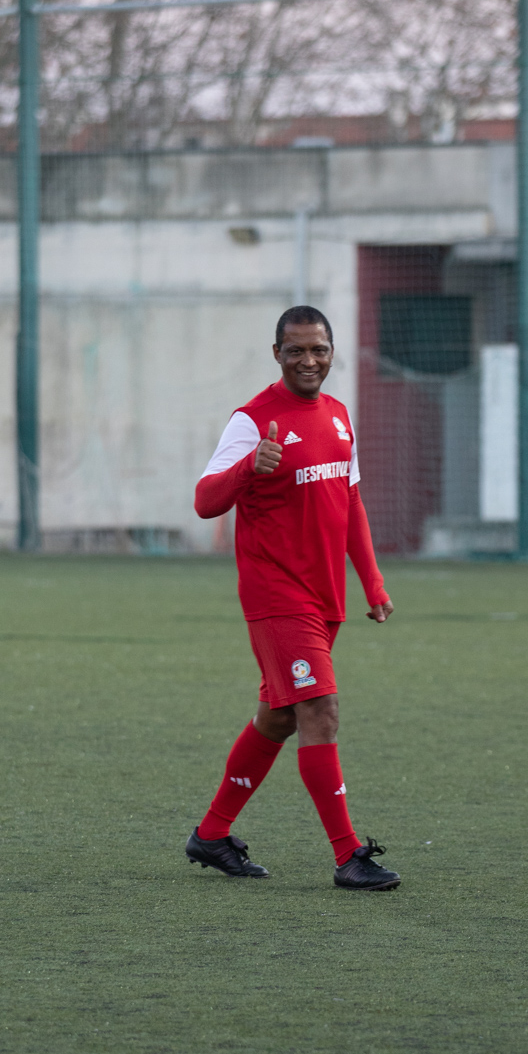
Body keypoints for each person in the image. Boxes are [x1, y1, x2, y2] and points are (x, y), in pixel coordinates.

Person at [186, 306, 400, 891]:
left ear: (333, 352)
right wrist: (248, 470)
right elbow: (206, 501)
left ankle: (211, 835)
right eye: (297, 350)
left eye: (319, 350)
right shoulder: (253, 420)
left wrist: (372, 583)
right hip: (277, 593)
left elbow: (351, 503)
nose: (309, 361)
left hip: (324, 594)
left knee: (278, 717)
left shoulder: (336, 416)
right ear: (276, 353)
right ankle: (349, 855)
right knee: (320, 711)